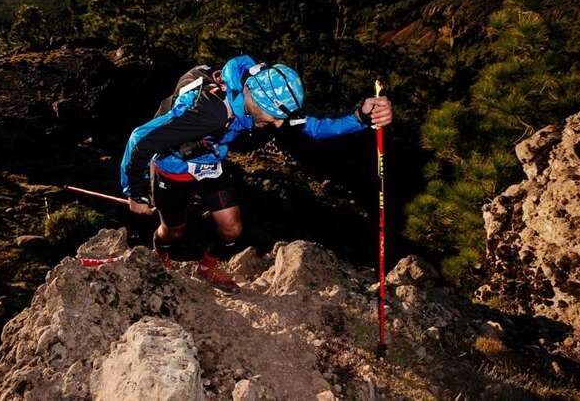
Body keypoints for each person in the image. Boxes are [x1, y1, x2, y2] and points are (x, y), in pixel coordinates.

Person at [121, 55, 392, 293]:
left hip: (211, 161)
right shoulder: (208, 112)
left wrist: (360, 117)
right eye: (273, 117)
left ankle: (208, 267)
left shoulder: (268, 92)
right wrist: (135, 192)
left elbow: (316, 127)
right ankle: (160, 254)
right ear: (253, 98)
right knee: (173, 230)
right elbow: (141, 139)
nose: (277, 124)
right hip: (174, 165)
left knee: (231, 229)